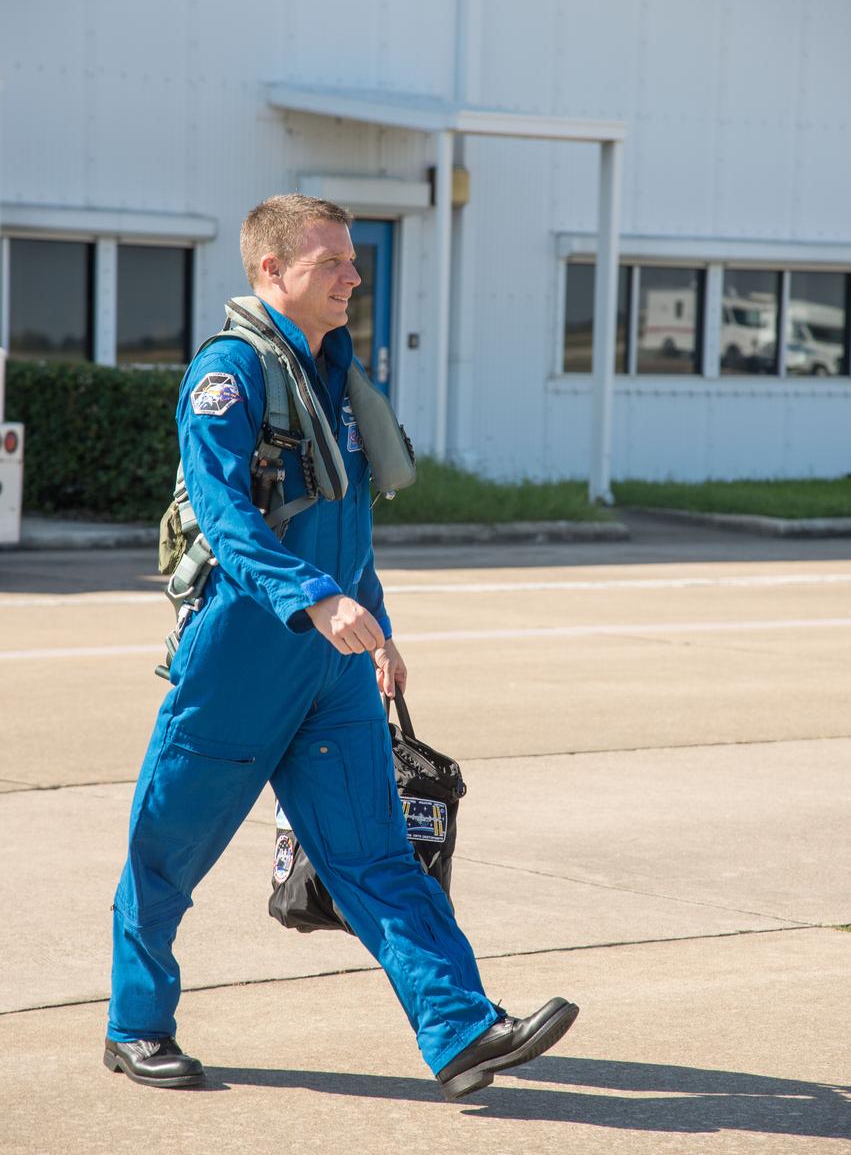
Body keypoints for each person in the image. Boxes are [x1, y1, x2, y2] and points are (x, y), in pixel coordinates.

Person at [104, 194, 578, 1101]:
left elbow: (346, 524)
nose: (353, 276)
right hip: (244, 652)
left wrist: (377, 626)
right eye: (331, 263)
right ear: (270, 273)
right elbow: (225, 514)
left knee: (378, 855)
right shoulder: (228, 374)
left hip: (332, 662)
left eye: (352, 260)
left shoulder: (335, 372)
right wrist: (313, 599)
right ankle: (136, 1024)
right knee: (164, 853)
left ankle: (461, 1030)